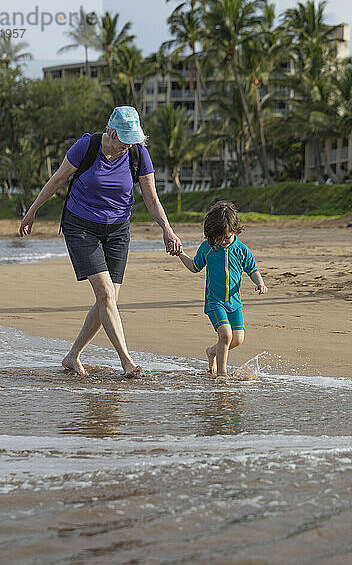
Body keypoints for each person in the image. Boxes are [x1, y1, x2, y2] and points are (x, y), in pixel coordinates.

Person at [19, 106, 182, 377]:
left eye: (132, 142)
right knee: (106, 294)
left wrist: (167, 229)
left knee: (110, 298)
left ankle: (72, 356)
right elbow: (58, 179)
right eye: (122, 141)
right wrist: (32, 211)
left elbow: (151, 199)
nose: (125, 148)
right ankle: (127, 361)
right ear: (110, 131)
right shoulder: (87, 146)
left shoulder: (138, 153)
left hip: (117, 230)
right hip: (81, 226)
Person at [177, 200, 267, 378]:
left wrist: (260, 283)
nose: (223, 241)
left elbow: (252, 269)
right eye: (218, 237)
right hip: (215, 302)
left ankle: (212, 351)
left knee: (237, 339)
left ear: (234, 230)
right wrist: (180, 252)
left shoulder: (242, 250)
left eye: (226, 237)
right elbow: (194, 267)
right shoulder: (208, 247)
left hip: (234, 303)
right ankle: (222, 374)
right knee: (225, 335)